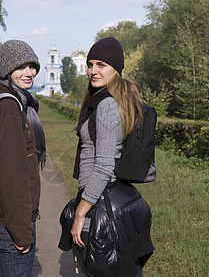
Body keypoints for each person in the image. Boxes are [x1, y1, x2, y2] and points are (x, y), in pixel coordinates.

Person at [59, 37, 154, 277]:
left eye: (101, 64)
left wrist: (80, 213)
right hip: (115, 198)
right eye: (90, 64)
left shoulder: (107, 106)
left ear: (116, 69)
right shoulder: (116, 100)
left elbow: (103, 166)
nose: (93, 71)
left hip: (100, 202)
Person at [0, 40, 46, 277]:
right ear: (7, 70)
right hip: (6, 224)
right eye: (21, 67)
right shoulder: (7, 107)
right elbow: (11, 176)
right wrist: (22, 231)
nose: (29, 73)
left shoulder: (1, 101)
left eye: (32, 66)